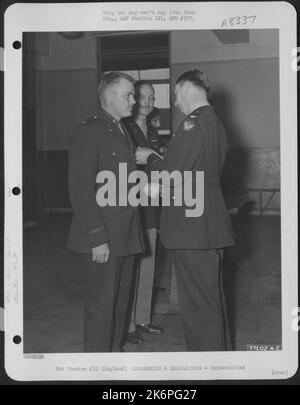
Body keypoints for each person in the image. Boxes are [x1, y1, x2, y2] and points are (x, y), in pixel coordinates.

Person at [136, 70, 234, 351]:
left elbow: (169, 175)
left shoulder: (193, 124)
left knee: (198, 309)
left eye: (176, 95)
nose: (176, 102)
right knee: (211, 302)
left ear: (186, 89)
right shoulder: (216, 123)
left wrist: (150, 157)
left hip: (192, 228)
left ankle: (206, 369)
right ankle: (220, 364)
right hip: (209, 223)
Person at [67, 72, 144, 352]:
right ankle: (97, 366)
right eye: (128, 95)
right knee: (101, 307)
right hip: (104, 236)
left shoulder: (122, 128)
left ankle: (112, 356)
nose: (133, 101)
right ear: (110, 96)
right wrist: (96, 237)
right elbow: (81, 189)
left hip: (124, 233)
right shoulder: (88, 130)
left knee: (120, 304)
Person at [122, 81, 163, 344]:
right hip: (133, 202)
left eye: (151, 97)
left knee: (149, 262)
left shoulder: (153, 127)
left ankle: (143, 319)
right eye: (142, 97)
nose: (147, 102)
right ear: (133, 99)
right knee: (132, 265)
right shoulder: (125, 127)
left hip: (152, 201)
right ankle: (127, 326)